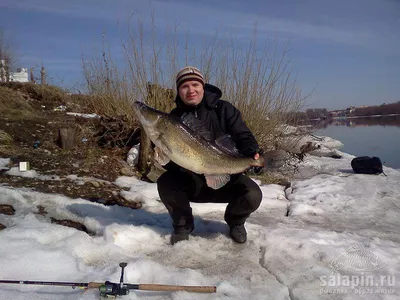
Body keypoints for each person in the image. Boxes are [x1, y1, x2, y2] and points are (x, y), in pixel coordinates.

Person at [157, 66, 263, 245]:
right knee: (166, 182)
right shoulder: (174, 118)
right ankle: (182, 225)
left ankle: (235, 222)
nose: (191, 90)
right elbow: (173, 163)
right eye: (185, 86)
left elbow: (243, 135)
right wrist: (164, 157)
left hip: (226, 178)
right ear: (178, 91)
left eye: (195, 84)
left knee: (252, 195)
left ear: (203, 86)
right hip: (192, 181)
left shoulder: (224, 109)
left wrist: (252, 153)